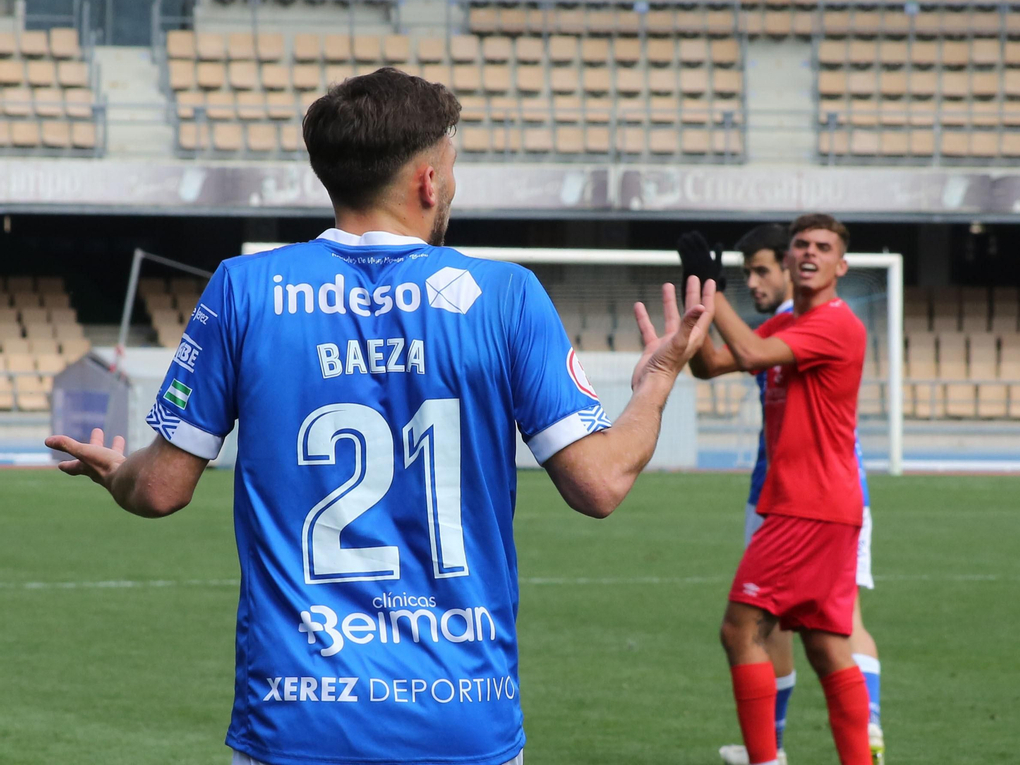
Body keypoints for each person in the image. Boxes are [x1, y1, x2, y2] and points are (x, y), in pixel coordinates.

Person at [44, 68, 715, 765]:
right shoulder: (507, 296)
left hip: (298, 717)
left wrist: (120, 472)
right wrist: (657, 379)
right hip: (461, 715)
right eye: (451, 166)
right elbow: (600, 484)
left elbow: (158, 488)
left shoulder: (244, 289)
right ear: (427, 181)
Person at [681, 224, 885, 765]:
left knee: (740, 629)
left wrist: (715, 291)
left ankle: (765, 761)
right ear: (791, 259)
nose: (810, 253)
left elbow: (748, 353)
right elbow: (710, 365)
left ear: (841, 266)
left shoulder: (836, 323)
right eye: (802, 245)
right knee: (825, 646)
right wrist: (697, 300)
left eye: (824, 247)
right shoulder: (789, 322)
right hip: (818, 506)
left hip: (809, 506)